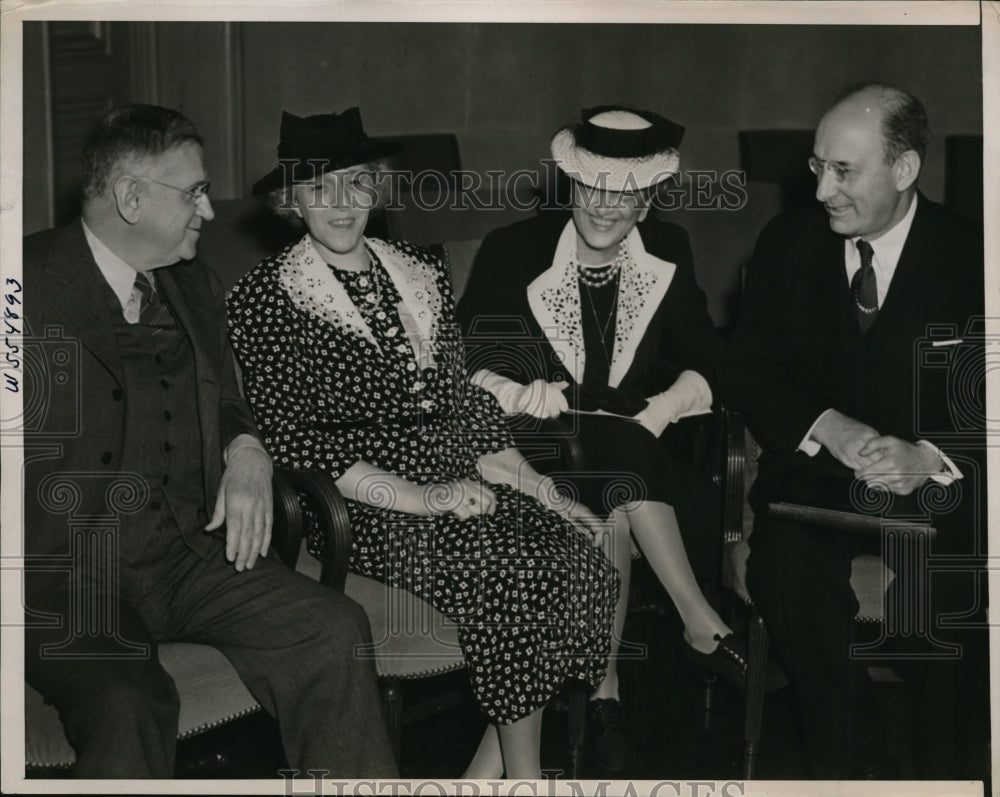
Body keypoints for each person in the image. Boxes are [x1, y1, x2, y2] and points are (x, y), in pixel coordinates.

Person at [226, 108, 620, 780]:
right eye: (319, 189)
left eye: (354, 184)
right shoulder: (266, 297)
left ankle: (478, 781)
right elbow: (293, 441)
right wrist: (422, 495)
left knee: (585, 552)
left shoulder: (418, 272)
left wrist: (546, 493)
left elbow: (467, 410)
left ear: (376, 188)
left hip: (463, 484)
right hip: (364, 502)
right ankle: (524, 780)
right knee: (520, 571)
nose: (342, 205)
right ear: (291, 201)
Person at [21, 104, 396, 779]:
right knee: (127, 698)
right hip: (65, 577)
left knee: (331, 628)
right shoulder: (21, 282)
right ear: (131, 198)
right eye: (193, 191)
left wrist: (246, 449)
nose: (209, 211)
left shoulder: (192, 279)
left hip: (187, 553)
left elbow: (225, 397)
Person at [456, 106, 746, 772]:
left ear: (648, 198)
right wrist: (515, 390)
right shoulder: (515, 248)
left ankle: (603, 687)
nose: (605, 207)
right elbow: (467, 358)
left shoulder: (668, 252)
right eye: (591, 187)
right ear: (569, 184)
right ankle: (696, 621)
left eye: (625, 193)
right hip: (528, 450)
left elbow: (714, 356)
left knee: (614, 471)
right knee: (612, 453)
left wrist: (670, 403)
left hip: (629, 465)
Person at [719, 83, 987, 778]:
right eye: (817, 167)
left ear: (904, 170)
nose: (822, 191)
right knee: (784, 565)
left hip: (940, 494)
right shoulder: (787, 243)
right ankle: (856, 774)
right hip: (814, 482)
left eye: (845, 171)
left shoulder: (976, 257)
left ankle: (945, 780)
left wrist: (931, 457)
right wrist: (824, 426)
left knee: (952, 589)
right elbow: (747, 367)